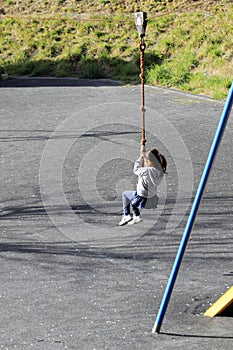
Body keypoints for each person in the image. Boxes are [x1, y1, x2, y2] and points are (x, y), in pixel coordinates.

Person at [119, 144, 167, 226]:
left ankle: (126, 215)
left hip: (141, 196)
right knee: (133, 202)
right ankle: (136, 216)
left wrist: (141, 157)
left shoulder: (146, 171)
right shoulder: (159, 172)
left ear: (149, 162)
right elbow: (149, 171)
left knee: (125, 195)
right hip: (151, 197)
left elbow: (136, 170)